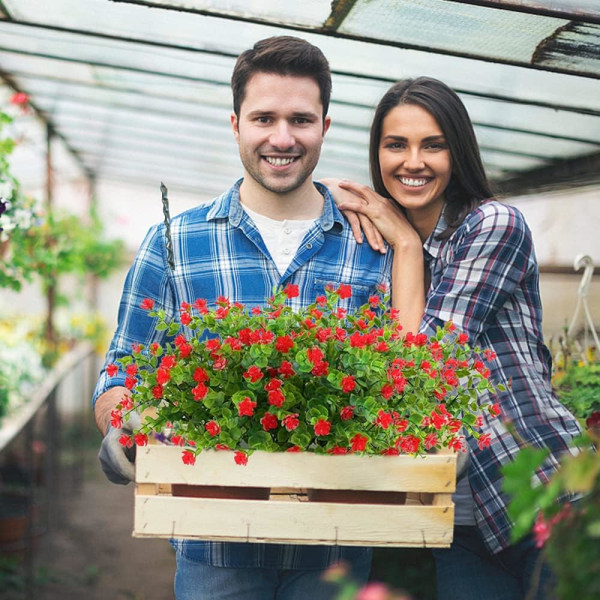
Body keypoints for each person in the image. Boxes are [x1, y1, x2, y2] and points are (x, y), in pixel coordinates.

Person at [92, 36, 393, 600]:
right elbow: (120, 375)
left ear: (325, 127)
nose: (282, 138)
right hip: (214, 547)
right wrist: (130, 424)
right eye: (264, 118)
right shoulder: (174, 242)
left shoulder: (369, 246)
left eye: (301, 119)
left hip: (334, 545)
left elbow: (403, 376)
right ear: (235, 125)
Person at [324, 77, 581, 600]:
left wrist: (406, 246)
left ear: (456, 151)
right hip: (461, 518)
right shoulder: (378, 248)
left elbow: (427, 360)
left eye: (432, 144)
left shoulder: (493, 224)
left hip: (541, 490)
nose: (412, 161)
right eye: (396, 144)